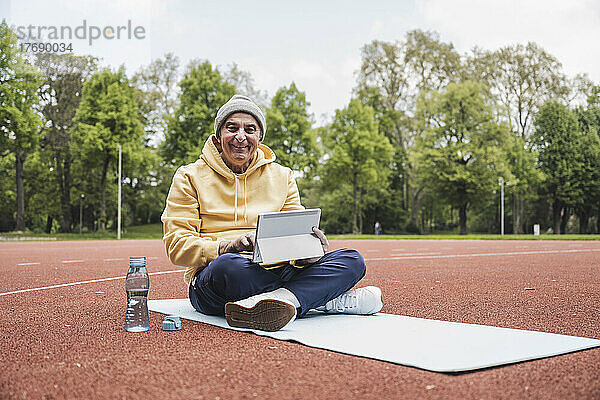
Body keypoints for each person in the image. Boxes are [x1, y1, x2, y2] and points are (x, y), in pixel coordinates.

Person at [161, 95, 382, 332]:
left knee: (352, 259)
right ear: (217, 139)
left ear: (259, 138)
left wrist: (310, 253)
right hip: (221, 276)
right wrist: (227, 246)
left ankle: (278, 302)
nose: (241, 136)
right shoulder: (188, 176)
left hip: (278, 268)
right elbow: (177, 245)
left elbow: (296, 234)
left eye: (250, 129)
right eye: (232, 128)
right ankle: (319, 299)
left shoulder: (282, 175)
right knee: (230, 268)